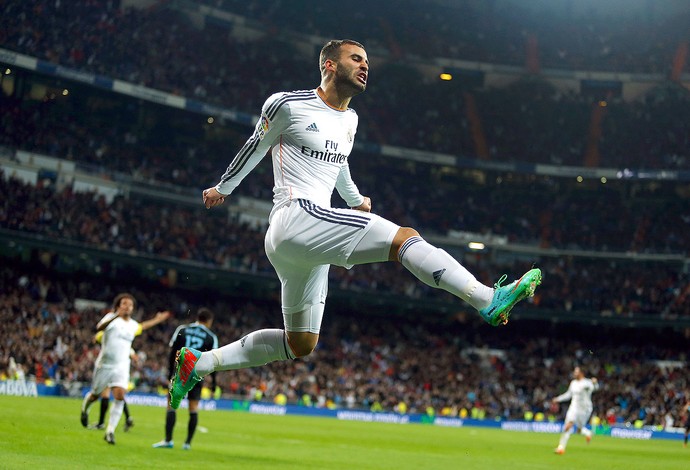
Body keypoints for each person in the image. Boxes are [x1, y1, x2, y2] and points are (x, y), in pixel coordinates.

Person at [169, 39, 542, 409]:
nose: (365, 66)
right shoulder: (288, 103)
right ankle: (487, 299)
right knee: (404, 239)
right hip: (296, 216)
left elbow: (339, 163)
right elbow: (256, 144)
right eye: (356, 59)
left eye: (367, 61)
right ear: (329, 65)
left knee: (301, 343)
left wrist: (355, 199)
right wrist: (224, 187)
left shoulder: (351, 120)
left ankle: (199, 363)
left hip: (304, 243)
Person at [80, 293, 171, 444]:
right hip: (104, 365)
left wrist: (157, 319)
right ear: (118, 306)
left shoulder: (133, 325)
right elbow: (99, 327)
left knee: (120, 395)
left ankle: (110, 431)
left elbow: (143, 326)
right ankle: (85, 409)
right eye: (124, 304)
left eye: (130, 305)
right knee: (95, 395)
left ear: (133, 308)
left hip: (122, 366)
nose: (127, 306)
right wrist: (116, 316)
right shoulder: (110, 318)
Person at [153, 308, 218, 450]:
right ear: (209, 321)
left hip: (179, 372)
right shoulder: (211, 336)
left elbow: (172, 352)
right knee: (193, 408)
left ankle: (168, 440)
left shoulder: (183, 329)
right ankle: (187, 443)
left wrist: (170, 374)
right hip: (197, 374)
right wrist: (213, 385)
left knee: (171, 405)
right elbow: (214, 361)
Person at [87, 331, 135, 432]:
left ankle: (101, 423)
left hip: (112, 369)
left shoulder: (112, 340)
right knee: (118, 395)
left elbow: (97, 337)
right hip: (120, 371)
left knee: (107, 394)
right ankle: (128, 417)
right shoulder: (120, 341)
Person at [551, 366, 599, 455]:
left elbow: (595, 388)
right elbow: (568, 395)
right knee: (567, 426)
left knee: (579, 430)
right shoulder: (573, 383)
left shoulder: (587, 383)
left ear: (581, 373)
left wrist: (595, 383)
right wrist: (557, 399)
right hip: (574, 407)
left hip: (585, 409)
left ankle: (588, 433)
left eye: (576, 372)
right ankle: (561, 448)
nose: (574, 373)